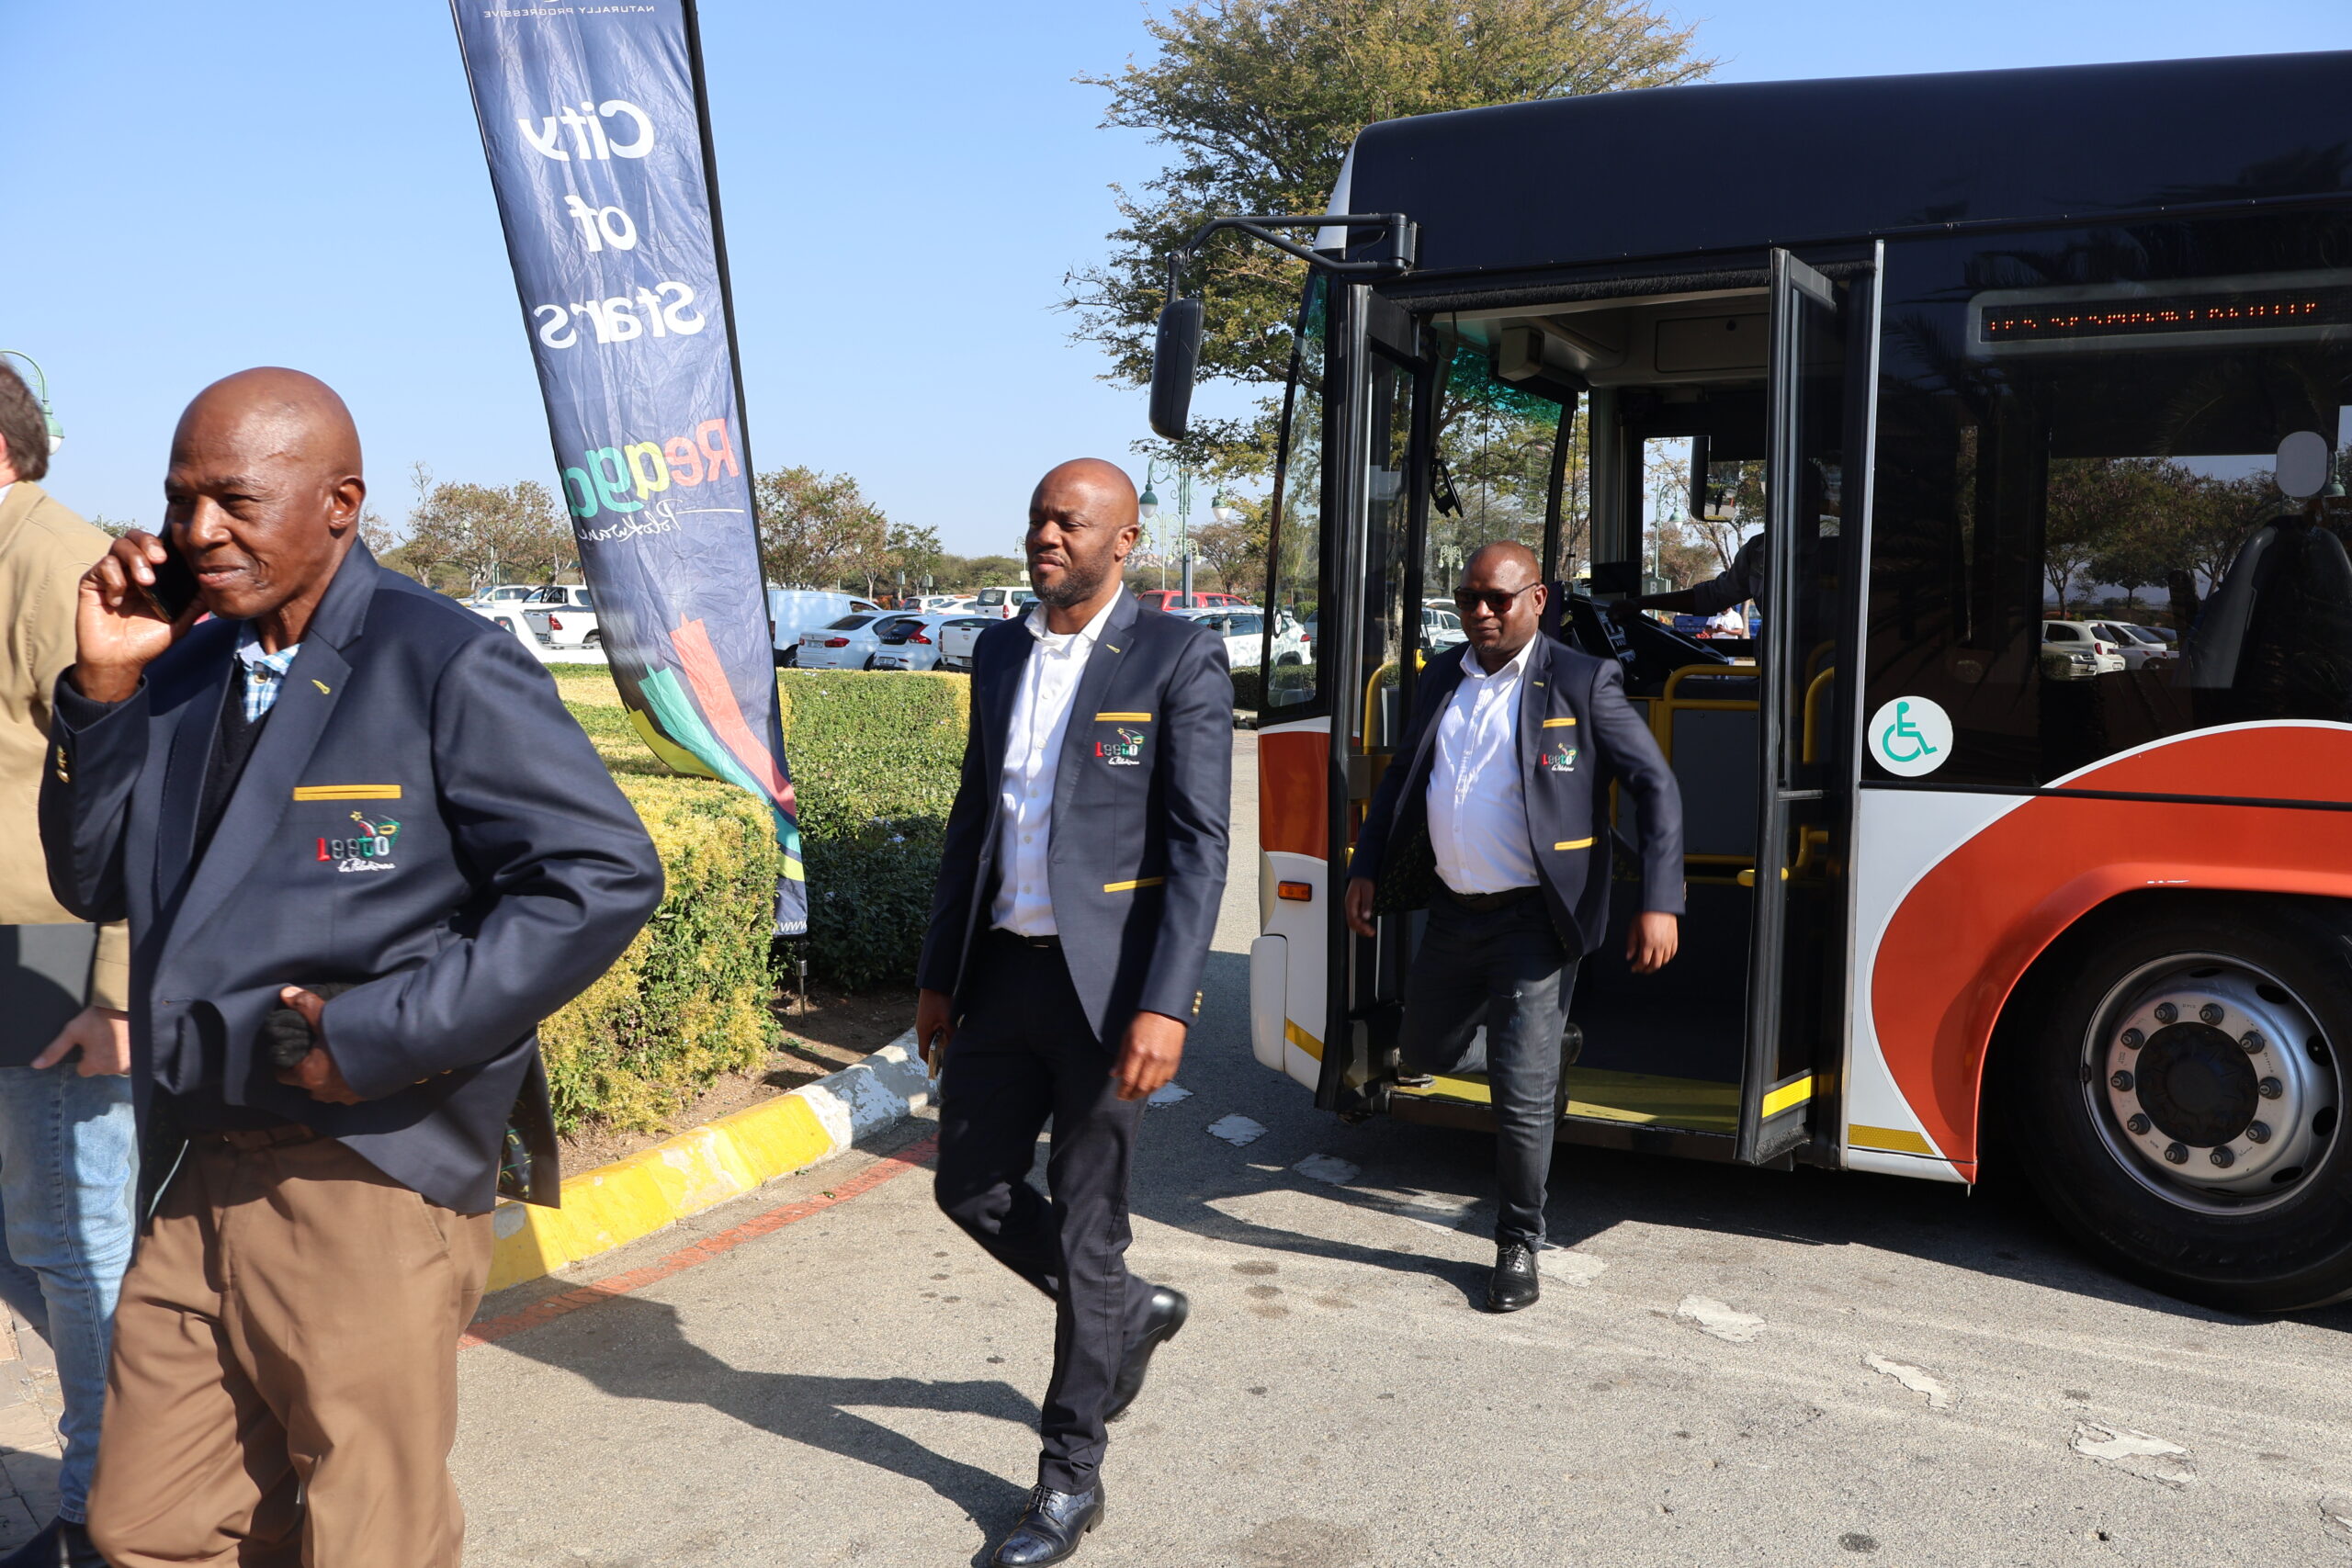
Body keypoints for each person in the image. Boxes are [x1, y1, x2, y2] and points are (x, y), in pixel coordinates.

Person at [40, 368, 664, 1568]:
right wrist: (105, 689)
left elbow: (600, 874)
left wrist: (377, 1033)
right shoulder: (181, 669)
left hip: (366, 1169)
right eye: (179, 499)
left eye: (234, 500)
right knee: (146, 1522)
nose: (197, 531)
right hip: (196, 1160)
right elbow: (96, 882)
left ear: (341, 503)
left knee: (370, 1534)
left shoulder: (440, 660)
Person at [916, 458, 1230, 1566]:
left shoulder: (1175, 654)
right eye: (1039, 519)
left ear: (1123, 540)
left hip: (1108, 994)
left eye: (1071, 523)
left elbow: (1199, 846)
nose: (1047, 536)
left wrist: (1166, 1002)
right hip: (1002, 972)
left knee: (1089, 1227)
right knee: (968, 1186)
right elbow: (973, 816)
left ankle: (1067, 1479)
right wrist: (939, 974)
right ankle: (1125, 1311)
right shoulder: (1001, 650)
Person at [1346, 542, 1683, 1313]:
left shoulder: (1582, 680)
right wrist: (1366, 867)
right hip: (1453, 911)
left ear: (1538, 598)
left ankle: (1518, 1240)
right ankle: (1545, 1050)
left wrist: (1661, 899)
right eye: (1469, 598)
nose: (1481, 612)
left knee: (1519, 1097)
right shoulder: (1442, 675)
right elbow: (1402, 777)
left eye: (1497, 599)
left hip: (1537, 918)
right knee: (1422, 1051)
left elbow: (1655, 786)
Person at [0, 363, 137, 1568]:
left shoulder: (59, 560)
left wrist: (117, 993)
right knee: (29, 1237)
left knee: (73, 1238)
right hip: (13, 953)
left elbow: (130, 780)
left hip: (52, 959)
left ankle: (111, 1508)